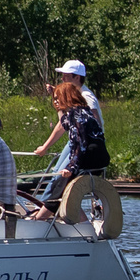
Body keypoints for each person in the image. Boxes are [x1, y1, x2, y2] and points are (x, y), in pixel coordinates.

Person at [26, 79, 111, 210]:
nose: (55, 101)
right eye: (54, 99)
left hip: (92, 156)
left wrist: (71, 167)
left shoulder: (77, 114)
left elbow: (81, 143)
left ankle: (42, 214)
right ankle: (49, 211)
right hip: (95, 155)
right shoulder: (77, 111)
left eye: (58, 98)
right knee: (60, 181)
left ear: (67, 97)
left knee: (61, 182)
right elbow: (64, 123)